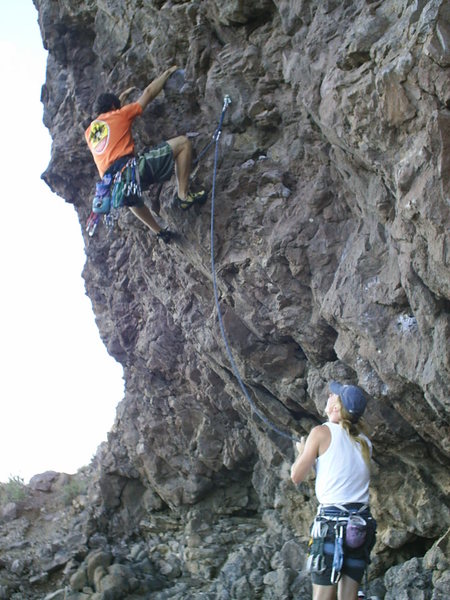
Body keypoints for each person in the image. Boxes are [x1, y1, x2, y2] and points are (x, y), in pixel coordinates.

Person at [85, 66, 207, 241]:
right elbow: (148, 93)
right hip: (132, 170)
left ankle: (159, 232)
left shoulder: (89, 133)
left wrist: (118, 101)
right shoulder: (121, 115)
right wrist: (166, 74)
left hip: (113, 185)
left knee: (130, 197)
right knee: (183, 143)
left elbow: (107, 123)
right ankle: (183, 195)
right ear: (115, 107)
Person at [290, 381, 377, 600]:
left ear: (337, 408)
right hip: (359, 525)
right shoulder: (365, 442)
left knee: (322, 597)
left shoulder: (320, 432)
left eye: (333, 395)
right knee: (348, 597)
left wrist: (302, 452)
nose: (329, 395)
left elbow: (296, 476)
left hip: (331, 524)